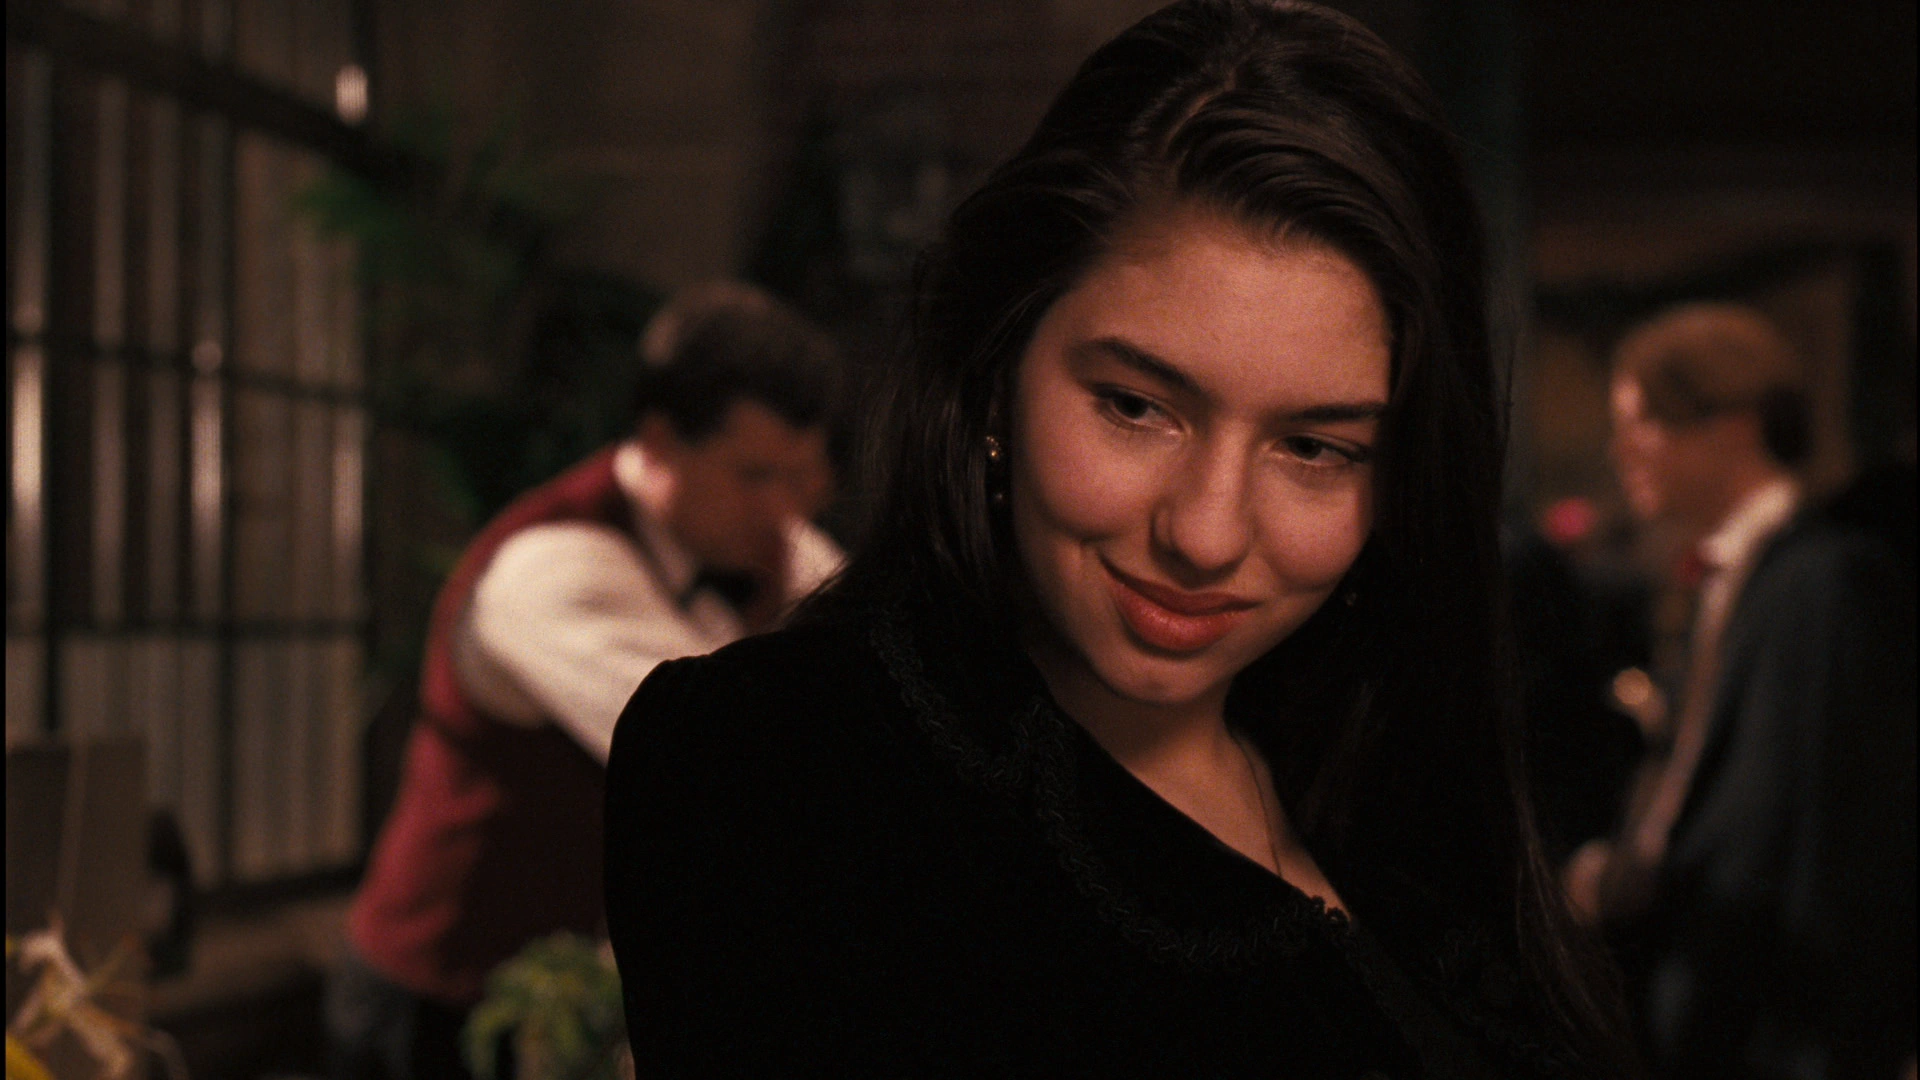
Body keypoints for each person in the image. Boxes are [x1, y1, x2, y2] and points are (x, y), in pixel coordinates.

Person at [605, 2, 1633, 1075]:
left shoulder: (1394, 768)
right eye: (1137, 407)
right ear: (997, 370)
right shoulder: (787, 764)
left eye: (1314, 448)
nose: (1206, 533)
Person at [330, 282, 844, 1079]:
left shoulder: (779, 550)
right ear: (661, 441)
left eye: (801, 479)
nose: (784, 511)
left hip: (586, 1016)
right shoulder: (554, 568)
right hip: (442, 1007)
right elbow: (738, 767)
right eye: (754, 477)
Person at [1566, 303, 1916, 1079]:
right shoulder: (1735, 575)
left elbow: (1836, 843)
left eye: (1641, 421)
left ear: (1733, 426)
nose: (1621, 449)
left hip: (1777, 1029)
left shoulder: (1826, 579)